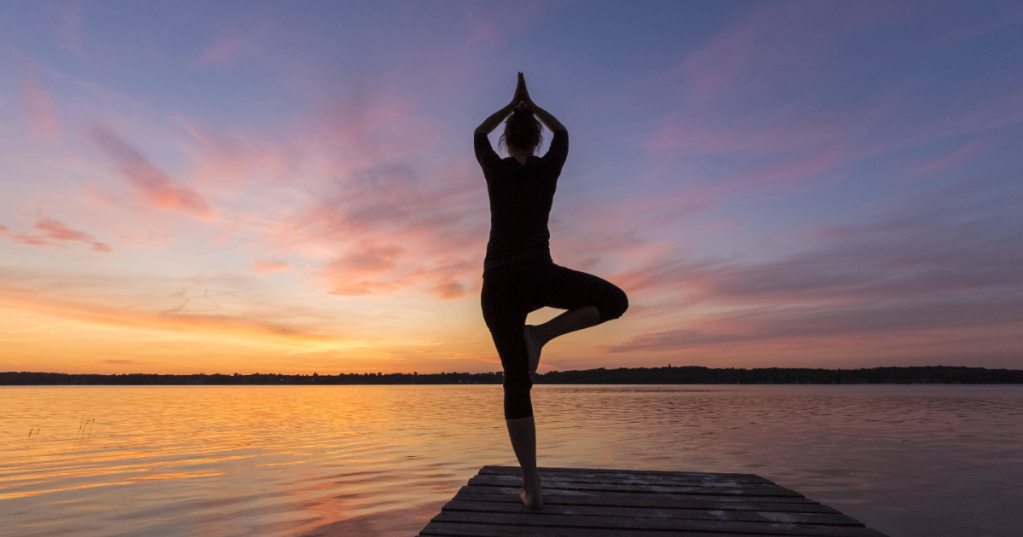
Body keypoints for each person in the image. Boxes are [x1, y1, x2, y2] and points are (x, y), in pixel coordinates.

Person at [474, 73, 629, 510]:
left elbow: (476, 133)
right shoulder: (548, 166)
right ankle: (541, 334)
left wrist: (511, 104)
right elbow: (563, 132)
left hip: (499, 282)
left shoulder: (495, 168)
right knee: (615, 301)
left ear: (507, 139)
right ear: (537, 139)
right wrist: (531, 104)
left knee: (516, 381)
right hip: (538, 274)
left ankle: (532, 486)